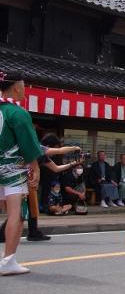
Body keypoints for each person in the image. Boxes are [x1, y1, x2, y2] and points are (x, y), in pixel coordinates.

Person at [0, 135, 83, 242]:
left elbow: (56, 168)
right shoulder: (35, 147)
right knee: (19, 211)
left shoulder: (40, 154)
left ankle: (33, 232)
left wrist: (74, 163)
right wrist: (74, 148)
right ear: (48, 145)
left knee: (30, 208)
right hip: (18, 182)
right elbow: (58, 151)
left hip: (27, 183)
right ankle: (4, 234)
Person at [0, 71, 42, 275]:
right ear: (16, 87)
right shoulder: (17, 113)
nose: (25, 89)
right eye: (24, 85)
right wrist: (35, 167)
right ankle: (8, 260)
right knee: (15, 213)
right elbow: (28, 145)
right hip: (12, 169)